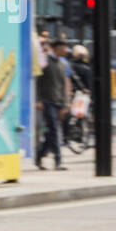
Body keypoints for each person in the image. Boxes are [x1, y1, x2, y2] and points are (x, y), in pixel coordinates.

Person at [35, 36, 72, 170]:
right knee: (55, 131)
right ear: (57, 49)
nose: (66, 50)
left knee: (51, 132)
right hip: (46, 101)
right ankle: (58, 161)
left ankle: (39, 156)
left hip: (57, 102)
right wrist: (37, 100)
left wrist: (65, 105)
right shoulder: (45, 61)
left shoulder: (62, 64)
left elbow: (63, 86)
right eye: (64, 48)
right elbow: (37, 81)